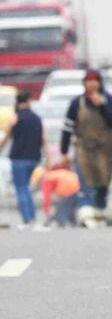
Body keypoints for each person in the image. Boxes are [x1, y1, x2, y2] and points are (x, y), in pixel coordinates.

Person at [60, 69, 112, 219]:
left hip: (105, 150)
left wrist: (102, 106)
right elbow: (68, 126)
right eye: (88, 81)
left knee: (103, 181)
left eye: (95, 81)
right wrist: (64, 148)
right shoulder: (77, 103)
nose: (92, 84)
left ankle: (100, 210)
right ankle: (86, 211)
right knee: (85, 181)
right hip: (84, 148)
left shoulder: (110, 100)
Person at [0, 91, 49, 228]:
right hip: (33, 158)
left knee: (21, 188)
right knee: (26, 188)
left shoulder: (15, 118)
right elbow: (43, 139)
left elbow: (6, 138)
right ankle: (32, 217)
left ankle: (27, 219)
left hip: (18, 158)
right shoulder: (37, 118)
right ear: (28, 101)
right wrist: (48, 158)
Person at [36, 162, 80, 227]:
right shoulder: (53, 174)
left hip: (67, 189)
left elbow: (47, 198)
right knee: (70, 206)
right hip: (76, 185)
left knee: (61, 207)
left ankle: (61, 223)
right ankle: (73, 222)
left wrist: (46, 213)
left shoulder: (47, 179)